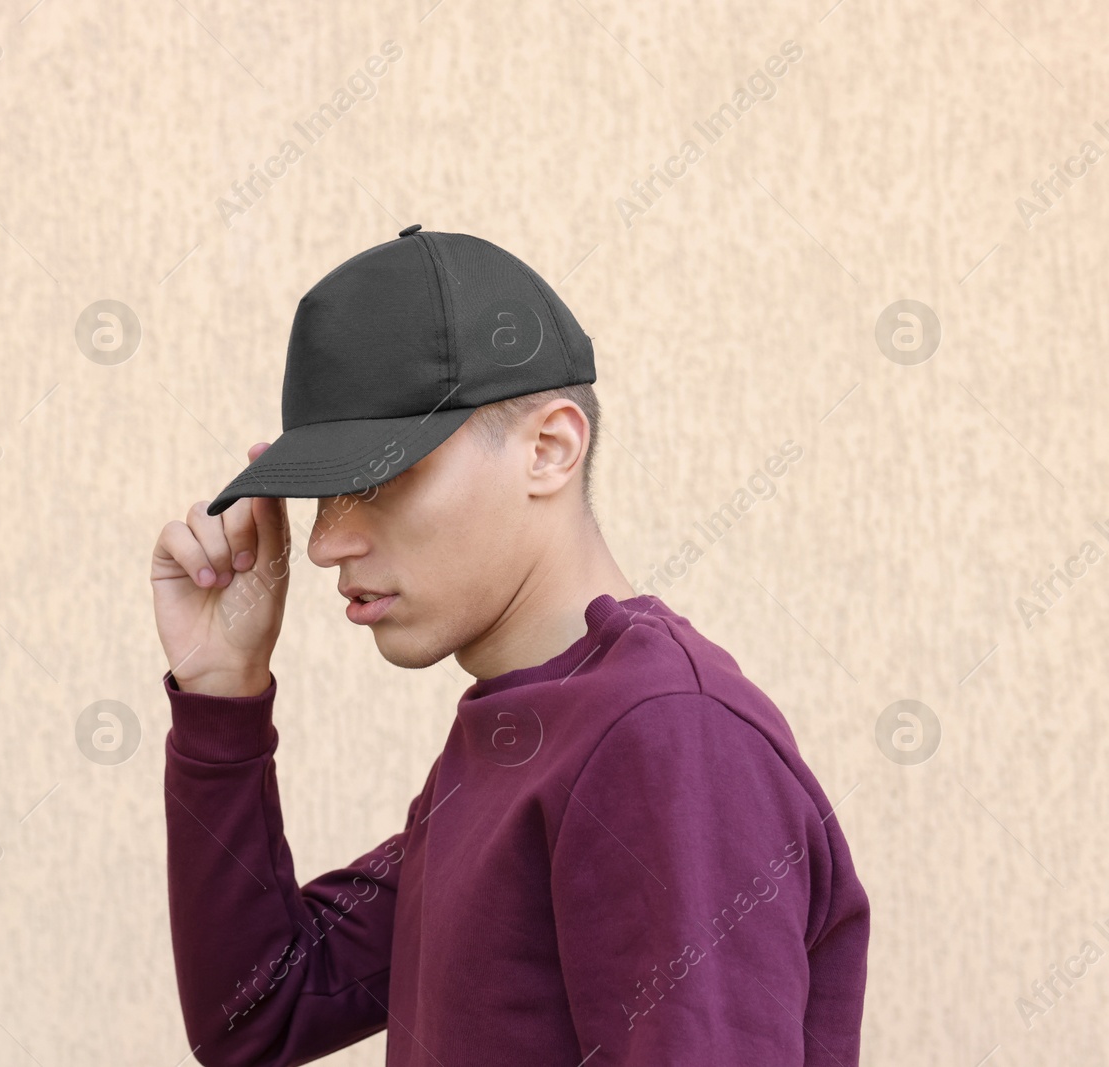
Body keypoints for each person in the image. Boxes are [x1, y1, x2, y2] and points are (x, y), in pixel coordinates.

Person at [149, 225, 869, 1066]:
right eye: (322, 496)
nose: (322, 546)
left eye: (374, 479)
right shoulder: (525, 728)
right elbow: (259, 1010)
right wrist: (221, 692)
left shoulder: (666, 736)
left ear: (549, 449)